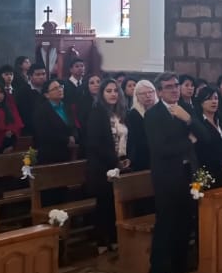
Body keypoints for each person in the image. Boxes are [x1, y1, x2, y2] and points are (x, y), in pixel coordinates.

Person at [144, 73, 196, 273]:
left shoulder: (185, 110)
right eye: (169, 87)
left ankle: (180, 270)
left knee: (184, 224)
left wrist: (189, 121)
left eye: (176, 86)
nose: (174, 90)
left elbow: (202, 135)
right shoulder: (153, 115)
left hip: (187, 175)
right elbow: (160, 148)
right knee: (166, 225)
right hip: (166, 177)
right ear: (160, 91)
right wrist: (187, 142)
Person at [85, 79, 131, 251]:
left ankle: (115, 237)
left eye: (115, 91)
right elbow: (95, 144)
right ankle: (102, 240)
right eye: (108, 91)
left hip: (120, 163)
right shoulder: (97, 113)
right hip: (101, 166)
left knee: (116, 203)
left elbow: (128, 138)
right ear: (102, 94)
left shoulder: (122, 113)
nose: (113, 94)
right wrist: (114, 161)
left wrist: (127, 158)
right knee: (104, 203)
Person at [192, 84, 222, 182]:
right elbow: (202, 150)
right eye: (209, 99)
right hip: (206, 172)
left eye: (216, 98)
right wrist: (221, 163)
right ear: (201, 102)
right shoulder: (198, 124)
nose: (214, 101)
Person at [32, 78, 77, 164]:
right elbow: (45, 134)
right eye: (55, 89)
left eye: (60, 87)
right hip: (50, 154)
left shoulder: (66, 106)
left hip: (67, 151)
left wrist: (74, 136)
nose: (60, 90)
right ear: (46, 95)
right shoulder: (42, 111)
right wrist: (67, 139)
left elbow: (73, 125)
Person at [125, 79, 155, 173]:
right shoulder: (133, 114)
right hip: (142, 157)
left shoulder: (161, 111)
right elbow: (135, 140)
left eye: (150, 92)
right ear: (137, 96)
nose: (148, 95)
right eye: (143, 93)